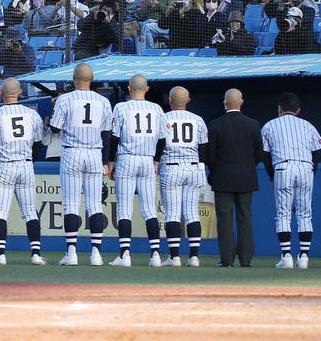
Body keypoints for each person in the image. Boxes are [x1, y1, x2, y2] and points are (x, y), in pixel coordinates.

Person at [48, 63, 113, 266]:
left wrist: (48, 120)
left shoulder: (65, 99)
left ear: (74, 79)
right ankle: (96, 254)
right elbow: (107, 134)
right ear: (92, 78)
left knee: (71, 204)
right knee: (94, 204)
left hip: (72, 152)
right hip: (95, 153)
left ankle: (72, 252)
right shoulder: (103, 101)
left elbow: (55, 128)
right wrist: (105, 161)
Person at [0, 78, 47, 265]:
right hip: (25, 164)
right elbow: (38, 143)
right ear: (20, 92)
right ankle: (35, 254)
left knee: (1, 211)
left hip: (4, 166)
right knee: (30, 212)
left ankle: (0, 255)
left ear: (0, 93)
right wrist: (29, 161)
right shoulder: (31, 114)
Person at [107, 74, 167, 268]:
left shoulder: (121, 107)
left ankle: (125, 255)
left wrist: (110, 160)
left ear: (129, 89)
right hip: (147, 160)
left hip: (127, 158)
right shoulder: (156, 108)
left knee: (125, 209)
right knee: (149, 209)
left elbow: (114, 138)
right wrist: (157, 160)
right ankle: (156, 255)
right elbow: (162, 139)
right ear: (147, 89)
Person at [260, 92, 321, 269]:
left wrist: (272, 177)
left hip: (283, 168)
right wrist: (312, 174)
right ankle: (304, 257)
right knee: (305, 214)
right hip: (306, 168)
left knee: (283, 214)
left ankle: (286, 256)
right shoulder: (308, 125)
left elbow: (265, 156)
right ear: (298, 110)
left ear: (279, 108)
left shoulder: (269, 125)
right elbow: (316, 155)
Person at [204, 88, 264, 268]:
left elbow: (210, 155)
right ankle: (246, 260)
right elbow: (259, 153)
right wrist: (248, 168)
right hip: (246, 178)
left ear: (225, 102)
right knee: (245, 218)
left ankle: (227, 260)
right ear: (241, 102)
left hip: (222, 178)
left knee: (224, 220)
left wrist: (215, 171)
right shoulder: (253, 124)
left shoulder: (215, 125)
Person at [160, 86, 209, 267]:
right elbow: (204, 146)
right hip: (194, 167)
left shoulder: (163, 118)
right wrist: (202, 167)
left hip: (172, 167)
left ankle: (174, 257)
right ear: (188, 100)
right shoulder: (198, 119)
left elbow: (159, 144)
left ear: (170, 100)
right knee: (192, 214)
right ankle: (194, 257)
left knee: (172, 214)